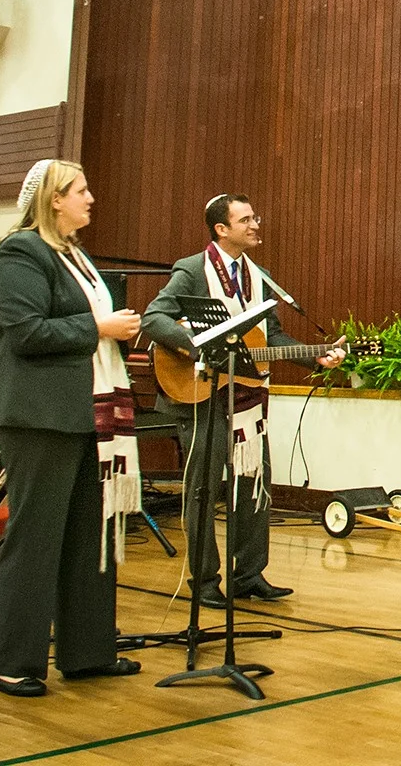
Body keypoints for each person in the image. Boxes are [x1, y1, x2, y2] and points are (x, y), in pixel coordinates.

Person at [0, 159, 144, 697]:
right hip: (39, 415)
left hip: (85, 411)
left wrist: (114, 330)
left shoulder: (75, 255)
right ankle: (12, 663)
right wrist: (99, 326)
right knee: (36, 539)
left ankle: (88, 653)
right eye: (81, 190)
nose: (90, 198)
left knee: (88, 535)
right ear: (54, 199)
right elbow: (26, 332)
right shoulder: (21, 251)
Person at [143, 193, 345, 607]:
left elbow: (272, 338)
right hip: (200, 393)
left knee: (254, 483)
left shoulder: (260, 276)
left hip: (246, 397)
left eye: (256, 218)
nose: (255, 225)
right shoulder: (192, 270)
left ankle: (249, 575)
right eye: (246, 220)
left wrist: (315, 355)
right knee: (202, 489)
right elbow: (153, 318)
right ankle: (203, 581)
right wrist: (198, 347)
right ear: (221, 229)